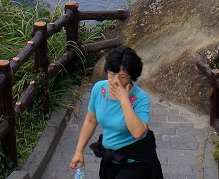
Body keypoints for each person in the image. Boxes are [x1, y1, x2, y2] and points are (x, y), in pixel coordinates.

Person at [70, 46, 164, 179]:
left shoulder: (140, 98)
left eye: (122, 77)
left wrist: (124, 100)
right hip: (111, 159)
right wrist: (79, 151)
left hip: (136, 160)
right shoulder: (99, 89)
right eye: (111, 74)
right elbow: (91, 120)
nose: (115, 81)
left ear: (132, 77)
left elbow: (138, 132)